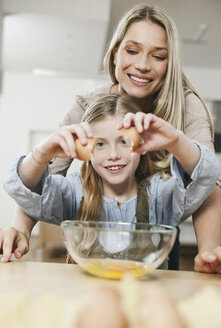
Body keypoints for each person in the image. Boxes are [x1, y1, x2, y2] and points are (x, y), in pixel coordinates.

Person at [1, 4, 221, 272]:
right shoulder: (87, 111)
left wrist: (209, 254)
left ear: (170, 62)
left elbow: (207, 179)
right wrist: (20, 228)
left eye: (158, 56)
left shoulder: (162, 194)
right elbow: (39, 181)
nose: (142, 65)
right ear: (115, 52)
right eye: (131, 50)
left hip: (154, 241)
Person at [3, 94, 220, 269]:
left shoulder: (160, 195)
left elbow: (207, 176)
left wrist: (175, 140)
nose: (113, 154)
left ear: (142, 144)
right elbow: (22, 188)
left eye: (123, 141)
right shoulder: (73, 192)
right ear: (85, 148)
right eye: (100, 144)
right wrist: (41, 154)